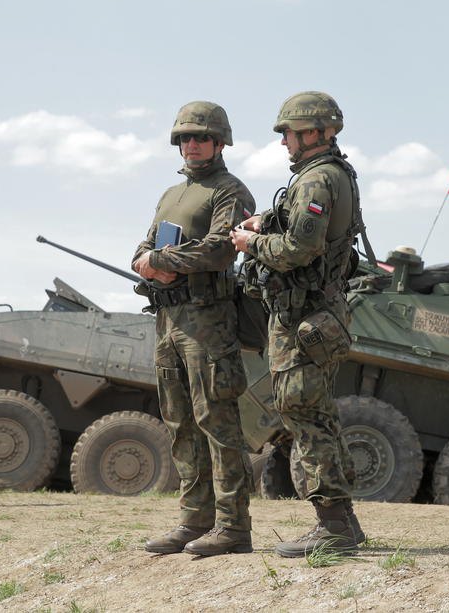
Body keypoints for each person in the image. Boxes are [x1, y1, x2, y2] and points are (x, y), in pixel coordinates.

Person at [231, 91, 366, 557]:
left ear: (313, 132)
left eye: (288, 132)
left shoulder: (316, 181)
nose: (284, 140)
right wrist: (267, 218)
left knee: (302, 414)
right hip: (316, 314)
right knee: (316, 412)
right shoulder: (332, 175)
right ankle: (342, 521)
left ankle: (333, 527)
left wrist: (250, 243)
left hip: (302, 316)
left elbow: (298, 249)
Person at [133, 101, 256, 557]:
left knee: (216, 421)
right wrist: (148, 265)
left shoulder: (230, 190)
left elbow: (222, 249)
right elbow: (141, 249)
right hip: (168, 319)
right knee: (180, 421)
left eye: (201, 137)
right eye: (185, 137)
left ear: (220, 142)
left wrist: (161, 263)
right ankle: (194, 520)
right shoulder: (170, 195)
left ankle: (232, 527)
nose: (192, 144)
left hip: (208, 320)